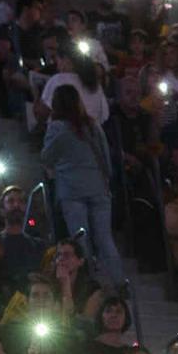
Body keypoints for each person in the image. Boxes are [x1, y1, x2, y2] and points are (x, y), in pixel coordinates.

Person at [40, 82, 124, 284]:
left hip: (71, 189)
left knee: (80, 239)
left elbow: (47, 157)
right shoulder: (93, 126)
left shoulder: (57, 127)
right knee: (105, 238)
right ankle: (120, 282)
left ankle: (88, 281)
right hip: (99, 188)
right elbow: (105, 155)